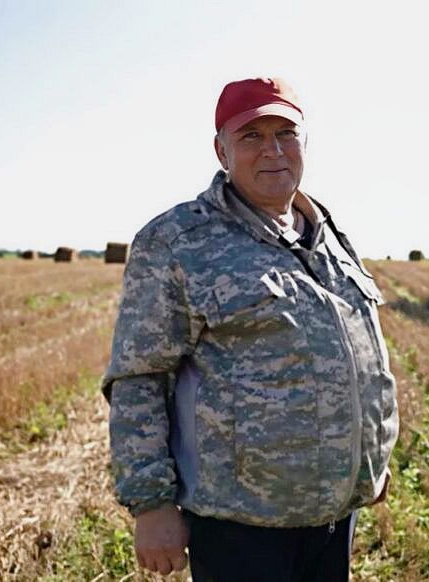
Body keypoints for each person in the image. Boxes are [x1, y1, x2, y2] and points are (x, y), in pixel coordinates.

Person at [102, 77, 398, 581]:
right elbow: (139, 378)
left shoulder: (327, 235)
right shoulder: (178, 242)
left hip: (332, 513)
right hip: (241, 523)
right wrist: (152, 505)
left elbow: (359, 356)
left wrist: (369, 457)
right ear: (221, 151)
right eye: (251, 137)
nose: (273, 150)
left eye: (285, 133)